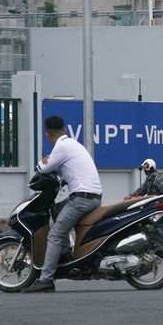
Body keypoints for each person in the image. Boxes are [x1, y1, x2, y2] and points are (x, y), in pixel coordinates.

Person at [23, 116, 102, 293]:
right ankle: (65, 254)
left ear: (47, 135)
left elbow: (42, 168)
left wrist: (44, 162)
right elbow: (64, 169)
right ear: (64, 130)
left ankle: (46, 280)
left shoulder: (62, 146)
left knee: (54, 235)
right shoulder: (72, 144)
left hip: (82, 199)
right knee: (58, 211)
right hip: (91, 195)